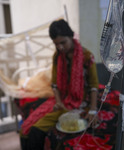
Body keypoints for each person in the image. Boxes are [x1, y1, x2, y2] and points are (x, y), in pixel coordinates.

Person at [20, 19, 99, 150]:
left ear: (71, 37)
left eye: (63, 42)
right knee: (26, 129)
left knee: (35, 131)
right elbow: (55, 84)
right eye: (56, 44)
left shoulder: (87, 57)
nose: (60, 47)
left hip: (80, 102)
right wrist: (58, 102)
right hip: (62, 100)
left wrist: (92, 109)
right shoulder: (57, 57)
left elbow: (94, 85)